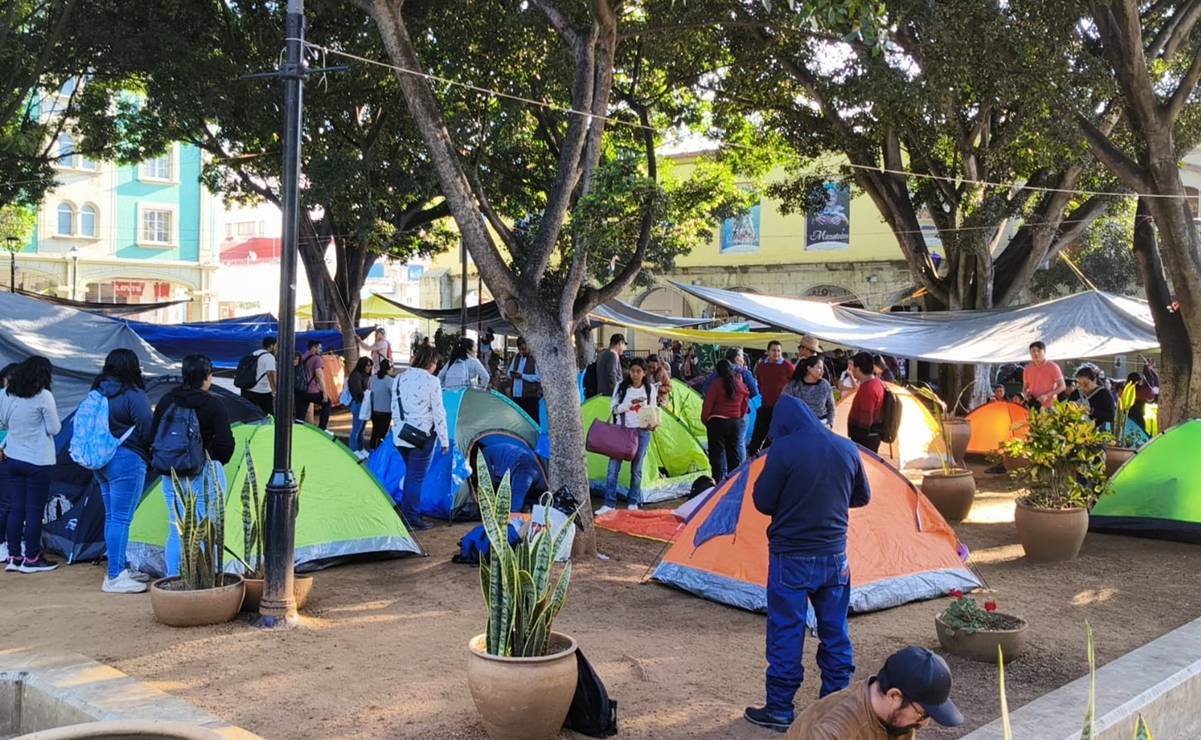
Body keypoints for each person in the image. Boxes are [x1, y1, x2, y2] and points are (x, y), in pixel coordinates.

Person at [745, 395, 871, 732]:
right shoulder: (845, 447)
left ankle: (780, 709)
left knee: (786, 631)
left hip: (791, 557)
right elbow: (863, 497)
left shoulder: (783, 450)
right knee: (836, 631)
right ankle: (837, 706)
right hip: (835, 557)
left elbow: (763, 501)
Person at [151, 354, 235, 578]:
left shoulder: (167, 401)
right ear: (207, 377)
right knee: (206, 529)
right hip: (205, 471)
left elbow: (154, 436)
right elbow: (226, 443)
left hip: (172, 474)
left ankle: (174, 580)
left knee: (176, 528)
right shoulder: (214, 403)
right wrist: (212, 459)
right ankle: (204, 581)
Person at [784, 646, 963, 738]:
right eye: (923, 715)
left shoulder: (898, 719)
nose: (925, 724)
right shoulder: (833, 731)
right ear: (894, 696)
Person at [90, 349, 155, 593]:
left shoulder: (98, 391)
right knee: (121, 518)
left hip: (100, 460)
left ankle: (118, 567)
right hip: (127, 459)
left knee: (112, 517)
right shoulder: (133, 394)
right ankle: (115, 575)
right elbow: (147, 428)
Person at [0, 357, 61, 573]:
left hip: (13, 457)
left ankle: (14, 557)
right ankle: (32, 558)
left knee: (16, 509)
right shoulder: (44, 396)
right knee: (34, 512)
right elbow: (54, 428)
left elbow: (3, 422)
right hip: (38, 460)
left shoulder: (7, 394)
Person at [392, 346, 449, 531]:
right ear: (430, 362)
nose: (435, 367)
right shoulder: (432, 381)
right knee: (416, 478)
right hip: (422, 436)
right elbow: (439, 413)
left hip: (401, 435)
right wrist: (444, 439)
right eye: (435, 363)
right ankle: (411, 517)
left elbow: (394, 405)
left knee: (411, 475)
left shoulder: (399, 378)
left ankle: (408, 512)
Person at [596, 358, 657, 516]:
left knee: (637, 470)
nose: (635, 374)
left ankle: (633, 501)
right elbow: (614, 409)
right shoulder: (621, 387)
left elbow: (654, 409)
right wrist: (629, 405)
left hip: (643, 432)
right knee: (613, 468)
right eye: (633, 371)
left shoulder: (650, 389)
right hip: (622, 431)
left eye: (639, 371)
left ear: (644, 373)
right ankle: (609, 502)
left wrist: (653, 423)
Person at [703, 348, 761, 461]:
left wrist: (707, 419)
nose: (743, 359)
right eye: (742, 356)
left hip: (718, 417)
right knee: (738, 443)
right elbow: (754, 392)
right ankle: (739, 473)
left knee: (721, 449)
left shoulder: (716, 374)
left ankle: (724, 476)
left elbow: (705, 391)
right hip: (739, 415)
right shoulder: (744, 373)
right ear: (737, 358)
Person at [702, 359, 750, 482]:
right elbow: (745, 401)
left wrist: (706, 420)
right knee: (733, 455)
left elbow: (708, 404)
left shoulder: (716, 385)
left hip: (717, 423)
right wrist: (739, 416)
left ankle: (717, 482)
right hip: (735, 423)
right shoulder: (739, 384)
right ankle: (733, 482)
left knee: (717, 456)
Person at [750, 341, 796, 454]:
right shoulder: (761, 366)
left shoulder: (787, 366)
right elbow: (760, 382)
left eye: (779, 351)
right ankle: (752, 455)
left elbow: (794, 382)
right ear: (768, 351)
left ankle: (771, 454)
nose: (776, 353)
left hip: (782, 407)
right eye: (774, 350)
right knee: (759, 433)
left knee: (778, 434)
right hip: (766, 405)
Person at [782, 355, 836, 428]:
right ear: (809, 368)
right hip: (799, 424)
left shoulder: (825, 385)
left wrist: (830, 424)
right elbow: (785, 404)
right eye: (819, 368)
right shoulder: (794, 385)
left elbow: (831, 407)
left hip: (821, 424)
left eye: (822, 369)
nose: (822, 371)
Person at [847, 351, 885, 453]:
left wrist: (857, 438)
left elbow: (865, 419)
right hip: (871, 437)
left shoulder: (868, 389)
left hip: (865, 439)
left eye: (853, 367)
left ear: (858, 369)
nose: (852, 369)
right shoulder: (876, 383)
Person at [1021, 341, 1065, 411]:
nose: (1036, 353)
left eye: (1039, 350)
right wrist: (1025, 395)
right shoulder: (1027, 369)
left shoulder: (1053, 367)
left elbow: (1062, 386)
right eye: (1033, 351)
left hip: (1050, 407)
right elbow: (1025, 387)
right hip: (1033, 406)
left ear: (1044, 352)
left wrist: (1046, 396)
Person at [506, 338, 543, 421]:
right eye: (519, 350)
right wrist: (512, 375)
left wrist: (522, 376)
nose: (521, 352)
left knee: (532, 420)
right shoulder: (517, 357)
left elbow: (539, 377)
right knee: (518, 421)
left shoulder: (535, 358)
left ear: (529, 346)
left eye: (524, 349)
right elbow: (508, 373)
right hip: (517, 395)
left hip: (530, 396)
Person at [241, 336, 277, 416]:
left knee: (249, 416)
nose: (276, 348)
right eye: (276, 345)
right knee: (269, 416)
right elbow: (271, 375)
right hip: (262, 391)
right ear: (271, 346)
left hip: (248, 389)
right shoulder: (269, 357)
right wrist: (275, 391)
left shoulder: (255, 353)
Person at [300, 340, 332, 431]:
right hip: (312, 390)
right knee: (327, 403)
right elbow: (319, 376)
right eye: (319, 347)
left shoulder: (302, 357)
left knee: (300, 416)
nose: (320, 349)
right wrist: (324, 393)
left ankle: (298, 431)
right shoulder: (317, 359)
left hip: (301, 390)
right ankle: (322, 428)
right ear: (314, 347)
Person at [346, 356, 372, 459]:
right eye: (368, 365)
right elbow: (357, 391)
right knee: (357, 428)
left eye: (370, 365)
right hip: (358, 404)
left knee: (362, 428)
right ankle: (353, 449)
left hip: (364, 404)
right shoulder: (356, 375)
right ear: (363, 365)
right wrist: (365, 398)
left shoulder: (364, 375)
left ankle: (360, 448)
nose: (369, 367)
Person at [1076, 366, 1115, 431]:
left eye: (1086, 384)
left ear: (1094, 380)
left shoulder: (1104, 394)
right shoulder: (1076, 393)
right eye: (1080, 384)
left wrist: (1091, 411)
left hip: (1096, 433)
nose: (1083, 388)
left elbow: (1110, 416)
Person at [368, 358, 395, 450]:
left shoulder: (372, 378)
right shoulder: (390, 381)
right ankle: (379, 451)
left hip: (374, 410)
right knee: (382, 434)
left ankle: (372, 449)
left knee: (375, 430)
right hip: (386, 411)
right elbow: (394, 395)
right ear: (389, 369)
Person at [597, 333, 626, 398]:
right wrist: (617, 391)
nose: (624, 348)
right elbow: (612, 375)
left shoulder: (602, 354)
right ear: (620, 343)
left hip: (602, 392)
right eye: (624, 345)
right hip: (610, 394)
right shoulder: (612, 354)